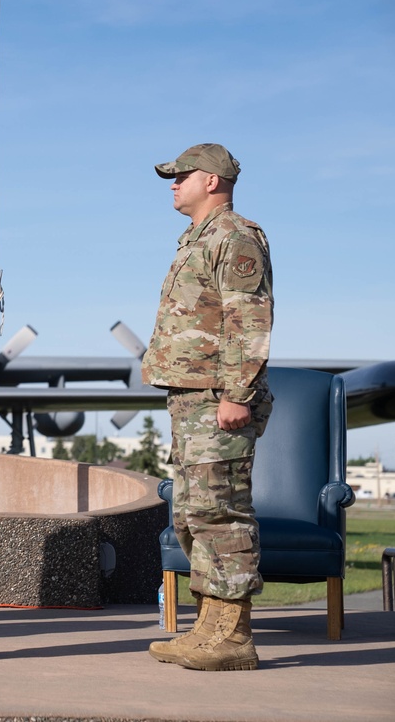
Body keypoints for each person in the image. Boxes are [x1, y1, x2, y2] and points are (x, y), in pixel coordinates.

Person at [143, 143, 274, 671]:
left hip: (219, 399)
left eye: (182, 175)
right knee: (195, 515)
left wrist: (238, 395)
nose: (173, 183)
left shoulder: (236, 236)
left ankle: (234, 636)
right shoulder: (196, 239)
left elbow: (250, 319)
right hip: (192, 399)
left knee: (222, 513)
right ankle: (210, 626)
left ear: (213, 181)